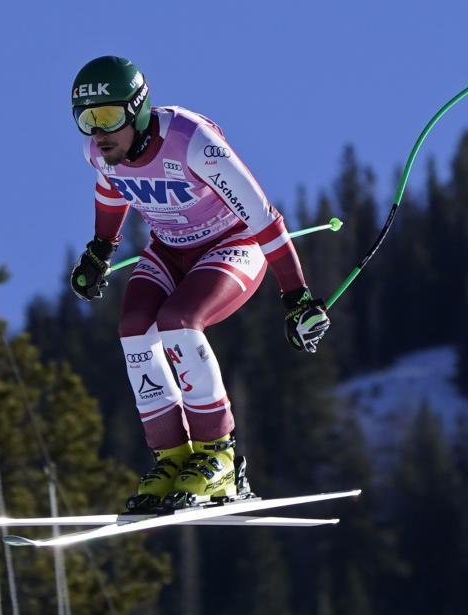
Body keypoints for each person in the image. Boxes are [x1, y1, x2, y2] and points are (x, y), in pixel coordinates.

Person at [69, 56, 330, 513]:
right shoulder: (100, 153)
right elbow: (110, 191)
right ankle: (172, 458)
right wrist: (99, 250)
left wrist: (296, 296)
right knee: (133, 328)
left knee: (179, 321)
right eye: (87, 120)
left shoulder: (192, 142)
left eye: (108, 117)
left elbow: (262, 218)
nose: (98, 132)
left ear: (139, 109)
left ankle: (219, 456)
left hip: (232, 243)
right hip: (169, 248)